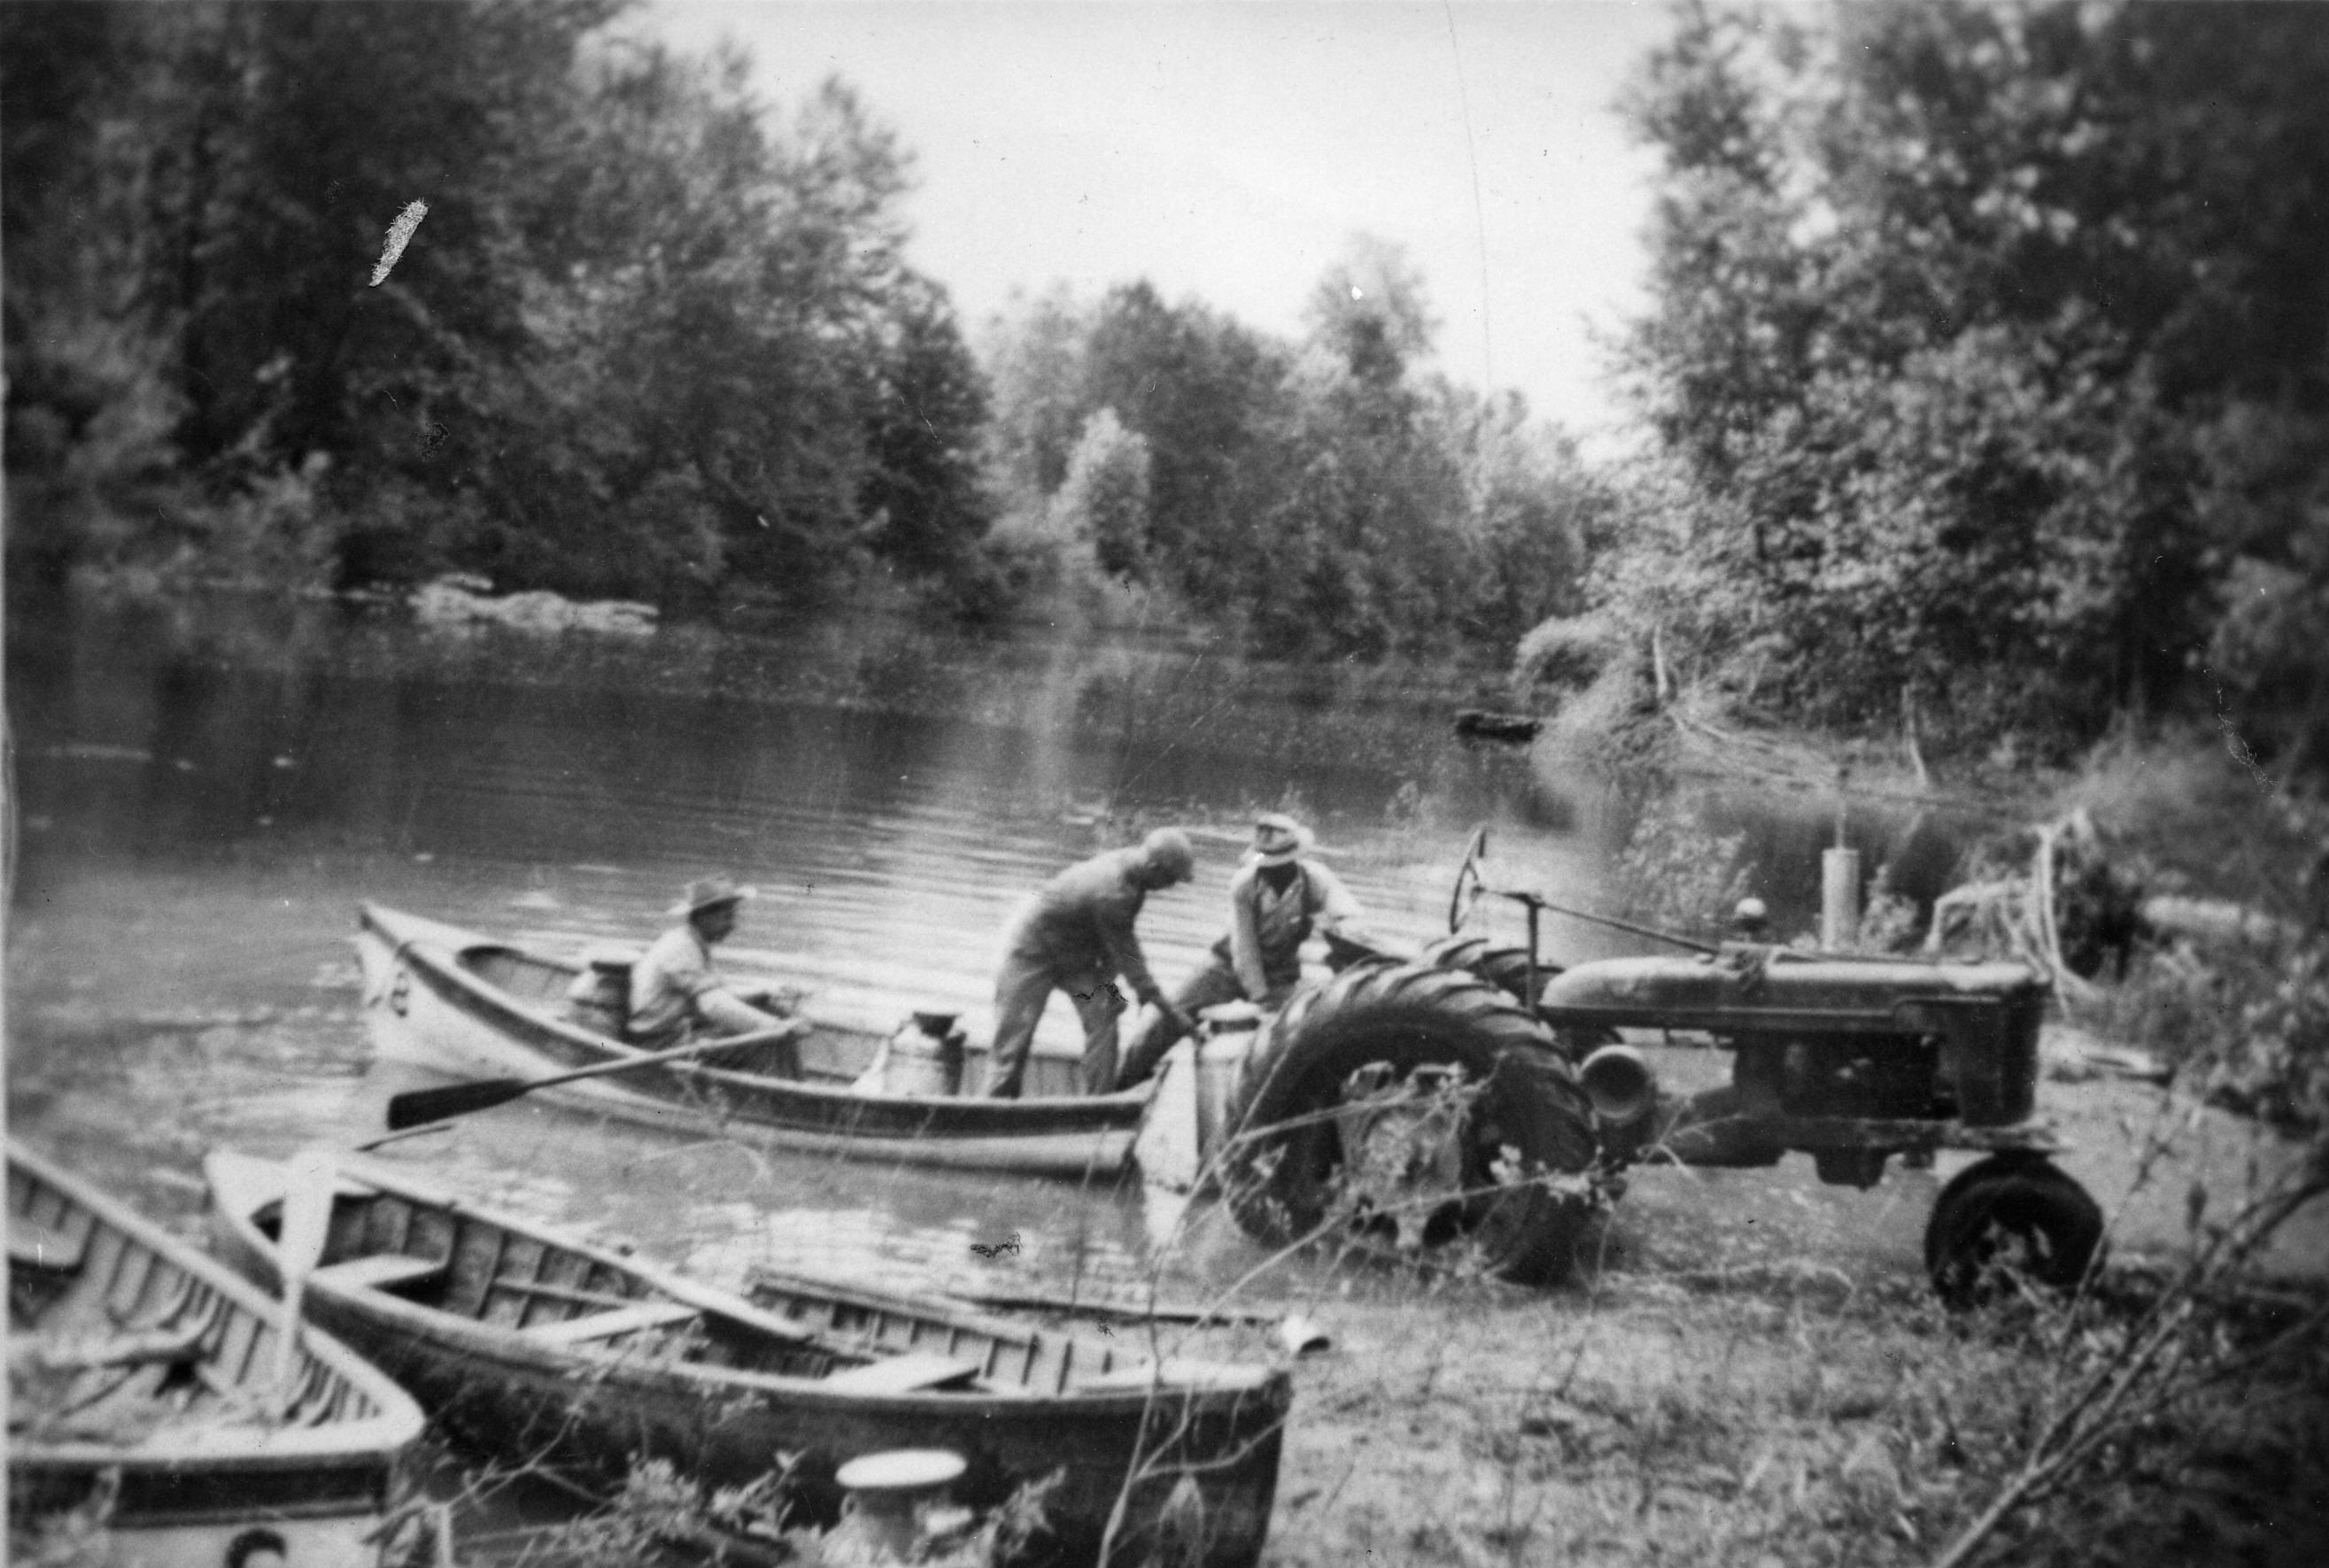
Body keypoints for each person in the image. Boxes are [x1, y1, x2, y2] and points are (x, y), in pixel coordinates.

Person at [1115, 812, 1362, 1089]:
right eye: (1265, 863)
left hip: (1281, 972)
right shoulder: (1244, 884)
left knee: (1307, 1031)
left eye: (1278, 865)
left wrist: (1342, 934)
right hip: (1226, 965)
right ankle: (1122, 1085)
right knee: (1167, 1018)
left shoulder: (1315, 879)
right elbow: (1245, 950)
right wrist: (1261, 999)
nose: (1270, 870)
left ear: (1294, 859)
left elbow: (1348, 915)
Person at [986, 829, 1197, 1099]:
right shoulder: (1114, 892)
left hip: (1075, 956)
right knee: (1012, 1042)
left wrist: (1118, 988)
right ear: (1153, 868)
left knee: (1104, 1013)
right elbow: (1128, 955)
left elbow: (1114, 946)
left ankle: (1099, 1102)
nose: (1169, 887)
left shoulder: (1133, 870)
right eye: (1170, 880)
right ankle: (995, 1106)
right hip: (1031, 951)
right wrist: (1169, 1011)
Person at [626, 876, 797, 1050]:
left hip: (679, 1031)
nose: (732, 925)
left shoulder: (693, 943)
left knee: (764, 1014)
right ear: (703, 917)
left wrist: (764, 992)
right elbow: (713, 1005)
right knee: (763, 1040)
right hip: (659, 1043)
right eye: (727, 917)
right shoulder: (680, 948)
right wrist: (776, 1027)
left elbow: (719, 993)